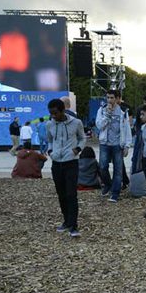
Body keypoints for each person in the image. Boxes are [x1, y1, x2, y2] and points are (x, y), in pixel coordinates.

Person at [46, 98, 86, 238]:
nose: (53, 116)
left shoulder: (76, 123)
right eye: (51, 113)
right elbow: (50, 140)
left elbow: (83, 138)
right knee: (61, 194)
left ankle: (74, 225)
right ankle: (66, 221)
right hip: (56, 163)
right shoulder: (50, 124)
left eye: (55, 113)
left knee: (71, 194)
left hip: (71, 163)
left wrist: (77, 149)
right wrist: (51, 152)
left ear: (63, 110)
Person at [96, 89, 132, 203]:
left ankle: (115, 193)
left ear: (117, 99)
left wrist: (127, 145)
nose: (109, 100)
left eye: (112, 98)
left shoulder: (123, 112)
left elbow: (127, 129)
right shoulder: (102, 110)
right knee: (102, 167)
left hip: (117, 144)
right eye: (108, 98)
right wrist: (107, 114)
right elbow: (99, 126)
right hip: (105, 143)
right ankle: (108, 184)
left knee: (118, 169)